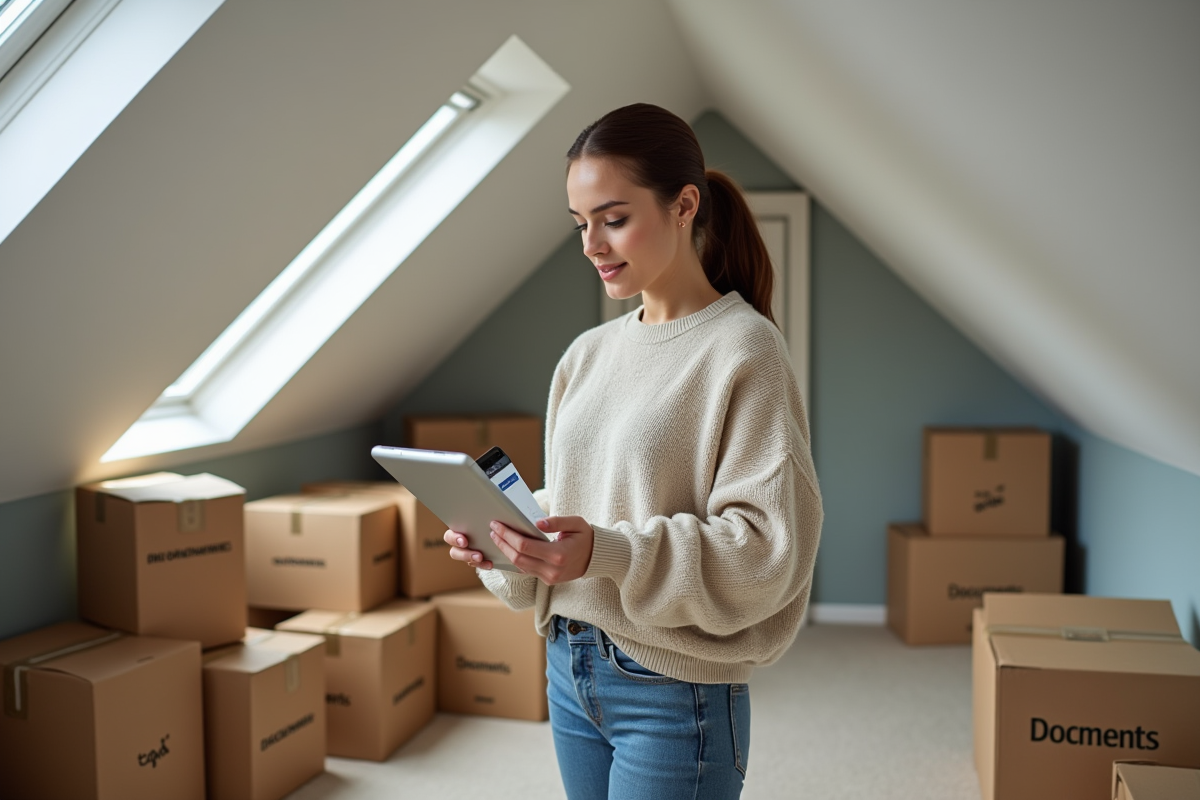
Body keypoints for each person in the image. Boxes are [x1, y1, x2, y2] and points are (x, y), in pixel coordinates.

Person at [443, 103, 823, 800]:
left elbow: (766, 550)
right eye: (580, 223)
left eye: (613, 218)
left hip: (672, 688)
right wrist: (508, 538)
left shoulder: (745, 350)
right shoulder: (585, 355)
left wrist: (609, 552)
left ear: (684, 206)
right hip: (568, 665)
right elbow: (582, 500)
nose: (592, 244)